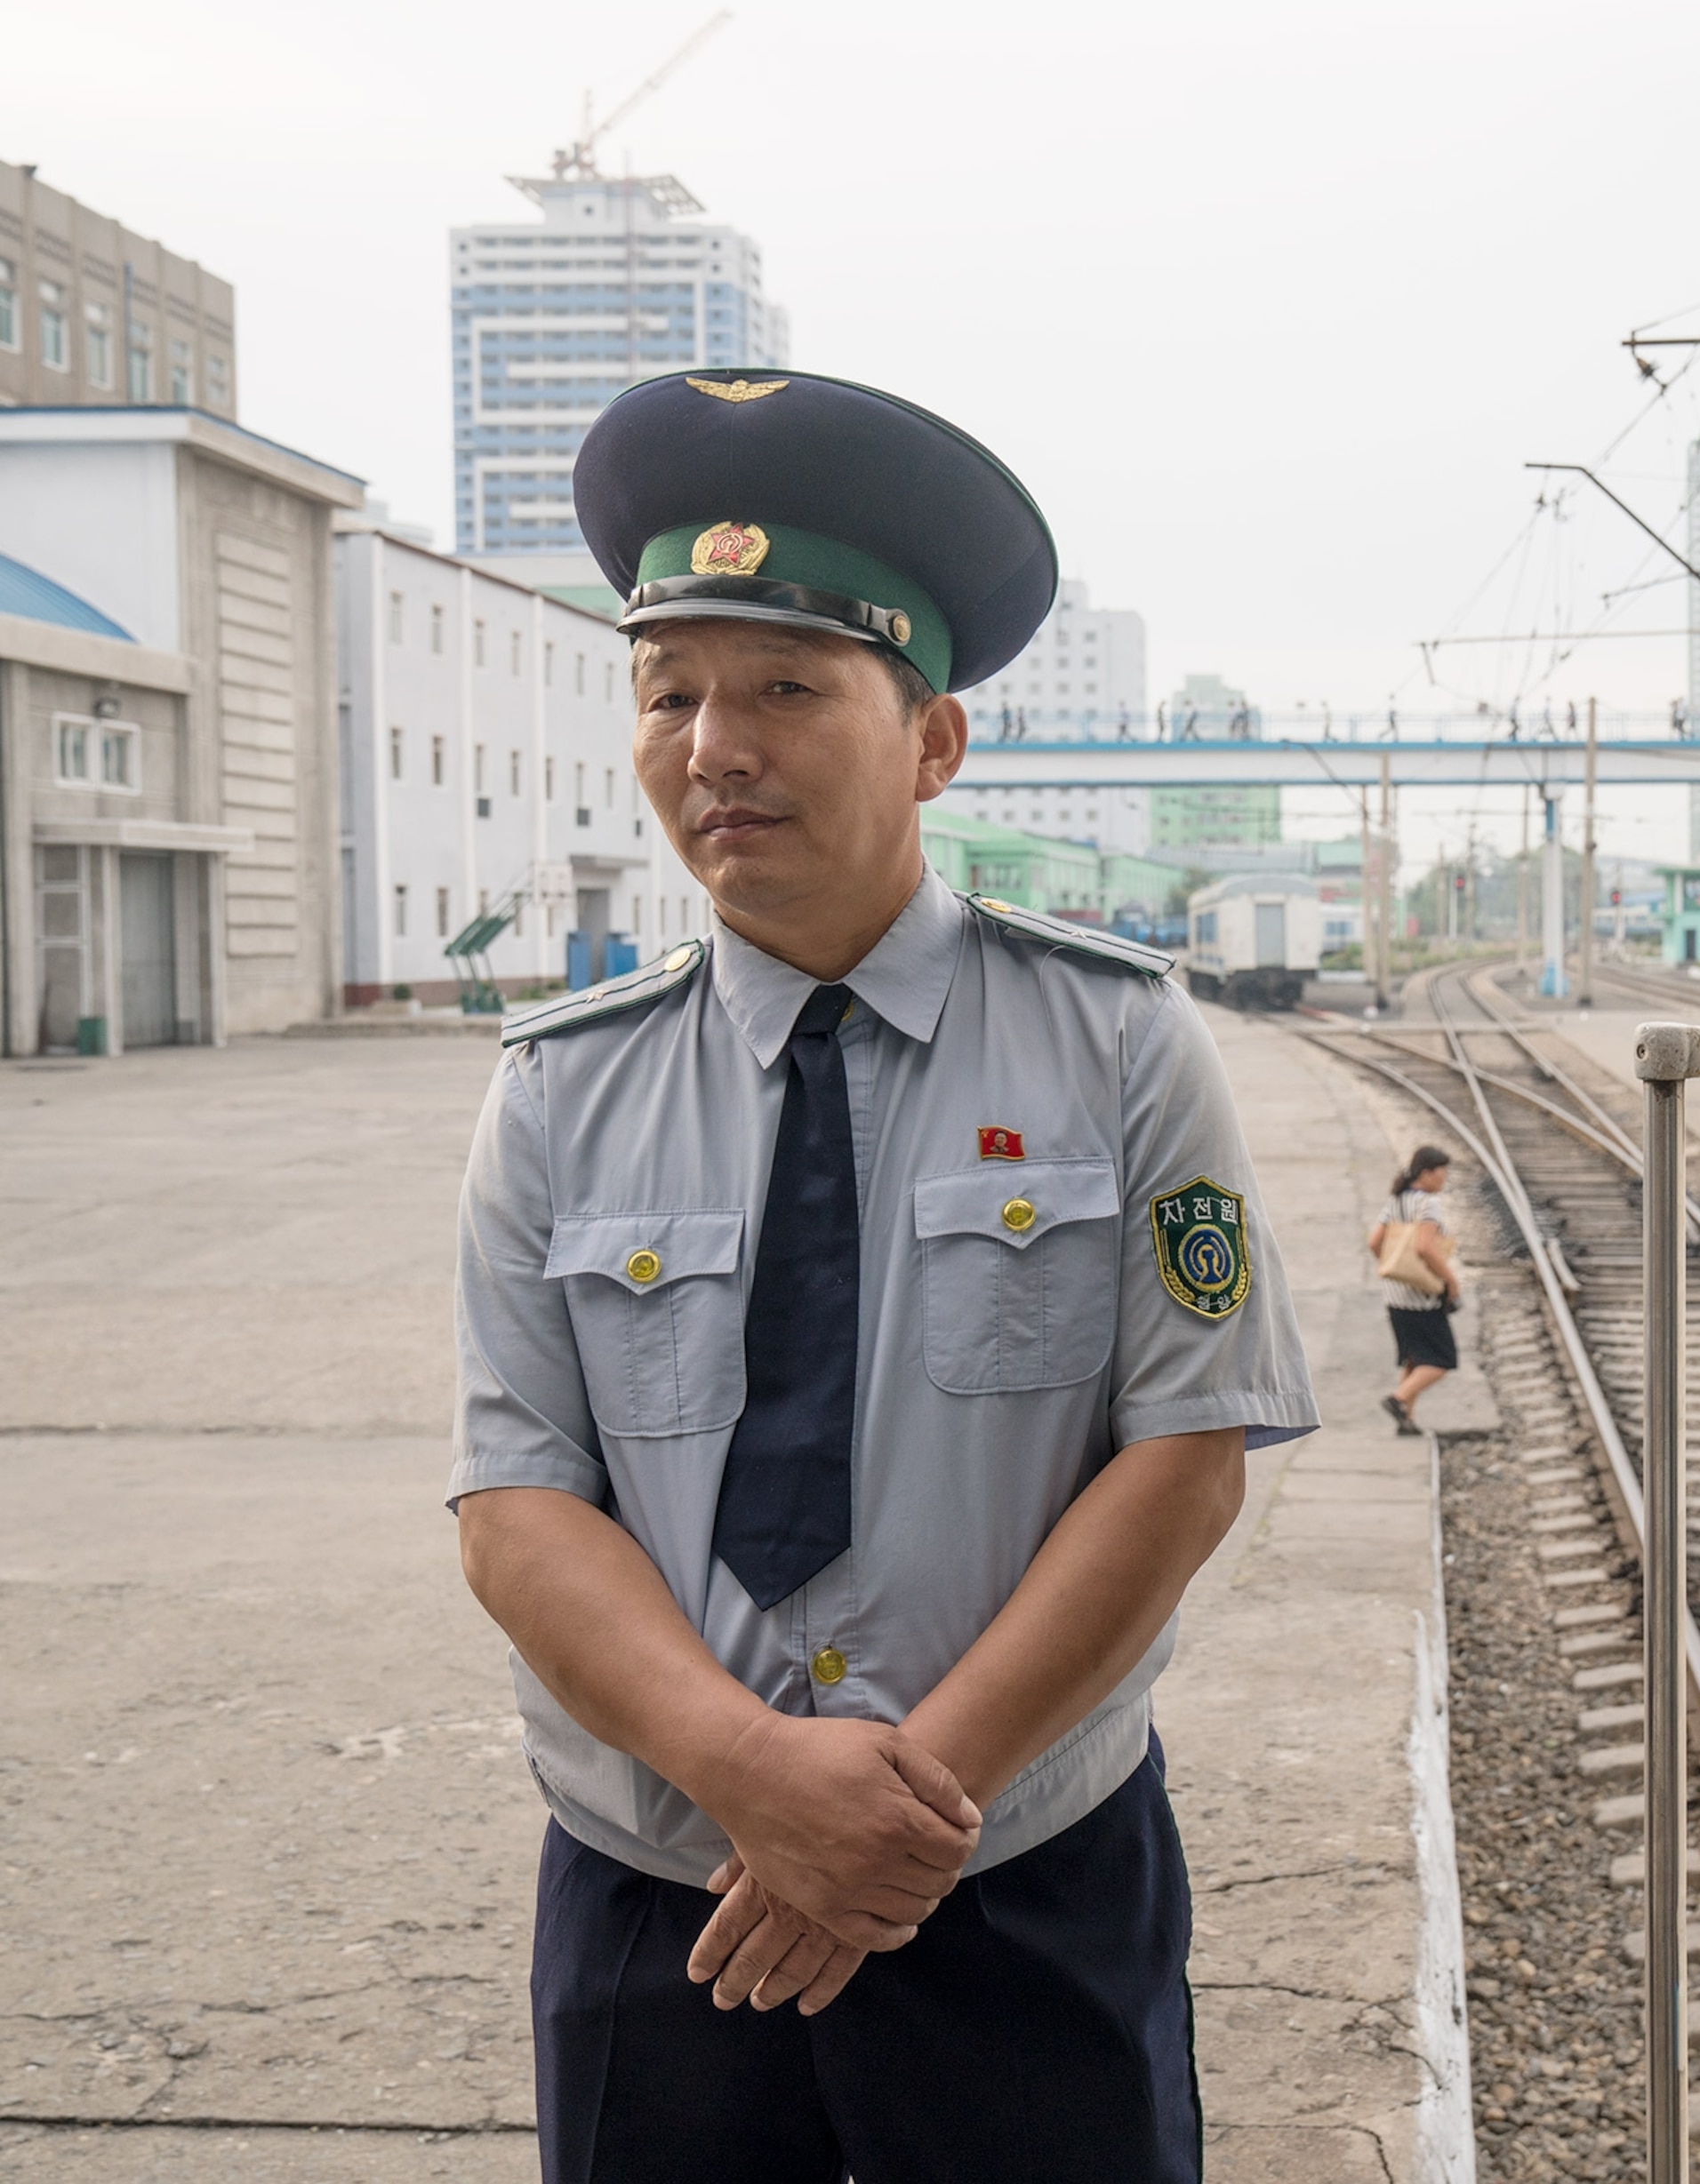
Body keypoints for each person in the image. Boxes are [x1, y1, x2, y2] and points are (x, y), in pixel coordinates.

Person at [447, 365, 1318, 2184]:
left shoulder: (1118, 1043)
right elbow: (519, 1503)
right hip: (667, 1884)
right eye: (669, 692)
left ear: (932, 741)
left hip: (1013, 1872)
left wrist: (899, 1810)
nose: (714, 745)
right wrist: (757, 1776)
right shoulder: (558, 1091)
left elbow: (1185, 1455)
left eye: (785, 687)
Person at [1373, 1147, 1460, 1433]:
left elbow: (1374, 1242)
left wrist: (1397, 1269)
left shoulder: (1396, 1200)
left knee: (1414, 1360)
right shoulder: (1428, 1204)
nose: (1444, 1178)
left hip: (1394, 1296)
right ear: (1427, 1173)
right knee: (1442, 1360)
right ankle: (1398, 1399)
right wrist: (1450, 1281)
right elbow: (1425, 1247)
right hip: (1422, 1297)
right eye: (1442, 1172)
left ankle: (1406, 1421)